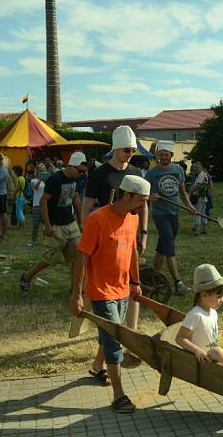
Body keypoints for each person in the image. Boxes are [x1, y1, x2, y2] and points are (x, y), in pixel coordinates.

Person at [69, 175, 150, 414]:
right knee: (115, 339)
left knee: (110, 333)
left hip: (123, 289)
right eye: (141, 201)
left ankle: (97, 366)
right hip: (101, 291)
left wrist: (135, 281)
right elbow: (81, 257)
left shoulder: (132, 219)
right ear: (126, 195)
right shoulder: (97, 220)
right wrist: (77, 294)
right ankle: (119, 396)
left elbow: (133, 251)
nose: (143, 206)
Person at [82, 126, 148, 330]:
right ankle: (93, 318)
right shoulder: (100, 174)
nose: (130, 154)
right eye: (126, 150)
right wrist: (87, 233)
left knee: (133, 282)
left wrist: (143, 233)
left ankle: (132, 331)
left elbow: (143, 205)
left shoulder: (136, 173)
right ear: (116, 149)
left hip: (129, 234)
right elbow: (86, 205)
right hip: (104, 235)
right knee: (99, 282)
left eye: (133, 151)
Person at [20, 152, 87, 292]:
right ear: (71, 166)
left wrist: (82, 221)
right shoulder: (55, 179)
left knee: (78, 255)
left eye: (83, 172)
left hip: (71, 223)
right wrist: (48, 226)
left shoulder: (75, 179)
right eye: (79, 171)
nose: (81, 174)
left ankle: (75, 288)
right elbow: (43, 201)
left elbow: (75, 198)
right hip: (56, 225)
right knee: (52, 258)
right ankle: (27, 276)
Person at [145, 142, 195, 296]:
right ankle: (178, 282)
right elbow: (145, 194)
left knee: (163, 246)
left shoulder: (178, 170)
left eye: (166, 154)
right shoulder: (152, 173)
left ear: (172, 156)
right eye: (161, 154)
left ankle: (153, 276)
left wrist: (189, 205)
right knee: (169, 247)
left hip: (175, 212)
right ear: (158, 155)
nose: (163, 157)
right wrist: (151, 197)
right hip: (160, 213)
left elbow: (182, 191)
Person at [176, 264, 223, 371]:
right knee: (218, 351)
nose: (222, 300)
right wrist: (197, 351)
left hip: (215, 347)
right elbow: (180, 338)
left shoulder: (212, 312)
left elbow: (211, 332)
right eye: (219, 297)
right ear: (204, 295)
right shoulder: (195, 315)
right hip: (206, 355)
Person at [0, 151, 12, 240]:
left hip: (1, 194)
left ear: (2, 160)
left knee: (2, 214)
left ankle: (3, 233)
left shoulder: (4, 170)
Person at [189, 161, 210, 236]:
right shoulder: (203, 174)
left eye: (197, 167)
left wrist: (191, 191)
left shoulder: (201, 175)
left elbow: (198, 185)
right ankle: (204, 229)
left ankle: (197, 230)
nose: (195, 169)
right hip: (203, 197)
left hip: (200, 197)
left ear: (201, 168)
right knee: (203, 213)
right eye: (194, 167)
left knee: (197, 213)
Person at [28, 164, 48, 246]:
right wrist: (40, 179)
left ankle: (45, 241)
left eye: (43, 170)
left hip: (45, 204)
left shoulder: (46, 181)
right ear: (37, 171)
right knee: (35, 224)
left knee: (46, 224)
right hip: (36, 204)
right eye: (41, 170)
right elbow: (35, 188)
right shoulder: (33, 180)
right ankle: (33, 241)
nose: (42, 172)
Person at [13, 165, 26, 229]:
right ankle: (20, 225)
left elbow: (18, 188)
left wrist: (14, 194)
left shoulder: (19, 178)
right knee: (20, 210)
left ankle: (22, 225)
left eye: (15, 170)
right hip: (22, 196)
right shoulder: (23, 178)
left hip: (19, 196)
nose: (14, 172)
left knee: (19, 211)